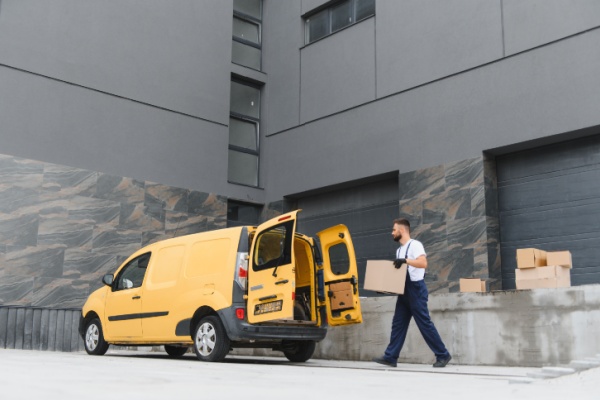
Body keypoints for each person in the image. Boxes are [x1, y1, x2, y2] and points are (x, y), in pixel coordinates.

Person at [372, 218, 452, 368]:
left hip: (416, 289)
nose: (392, 233)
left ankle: (443, 355)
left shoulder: (415, 245)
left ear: (402, 230)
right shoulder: (399, 250)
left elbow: (423, 263)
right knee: (398, 324)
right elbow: (398, 276)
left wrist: (406, 261)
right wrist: (384, 288)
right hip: (403, 291)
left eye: (394, 230)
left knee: (424, 324)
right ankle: (391, 357)